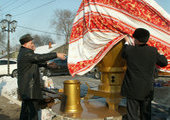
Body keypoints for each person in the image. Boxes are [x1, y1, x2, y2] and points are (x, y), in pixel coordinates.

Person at [121, 28, 168, 120]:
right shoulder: (153, 51)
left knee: (132, 115)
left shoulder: (129, 50)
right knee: (146, 114)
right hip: (146, 89)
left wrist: (126, 41)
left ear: (136, 39)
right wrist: (161, 54)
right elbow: (164, 63)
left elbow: (123, 53)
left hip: (132, 88)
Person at [17, 34, 66, 120]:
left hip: (26, 89)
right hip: (30, 90)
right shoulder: (26, 53)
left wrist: (47, 64)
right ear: (24, 45)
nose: (33, 44)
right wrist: (56, 54)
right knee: (33, 114)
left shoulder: (24, 53)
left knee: (25, 113)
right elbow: (39, 57)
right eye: (30, 43)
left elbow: (36, 62)